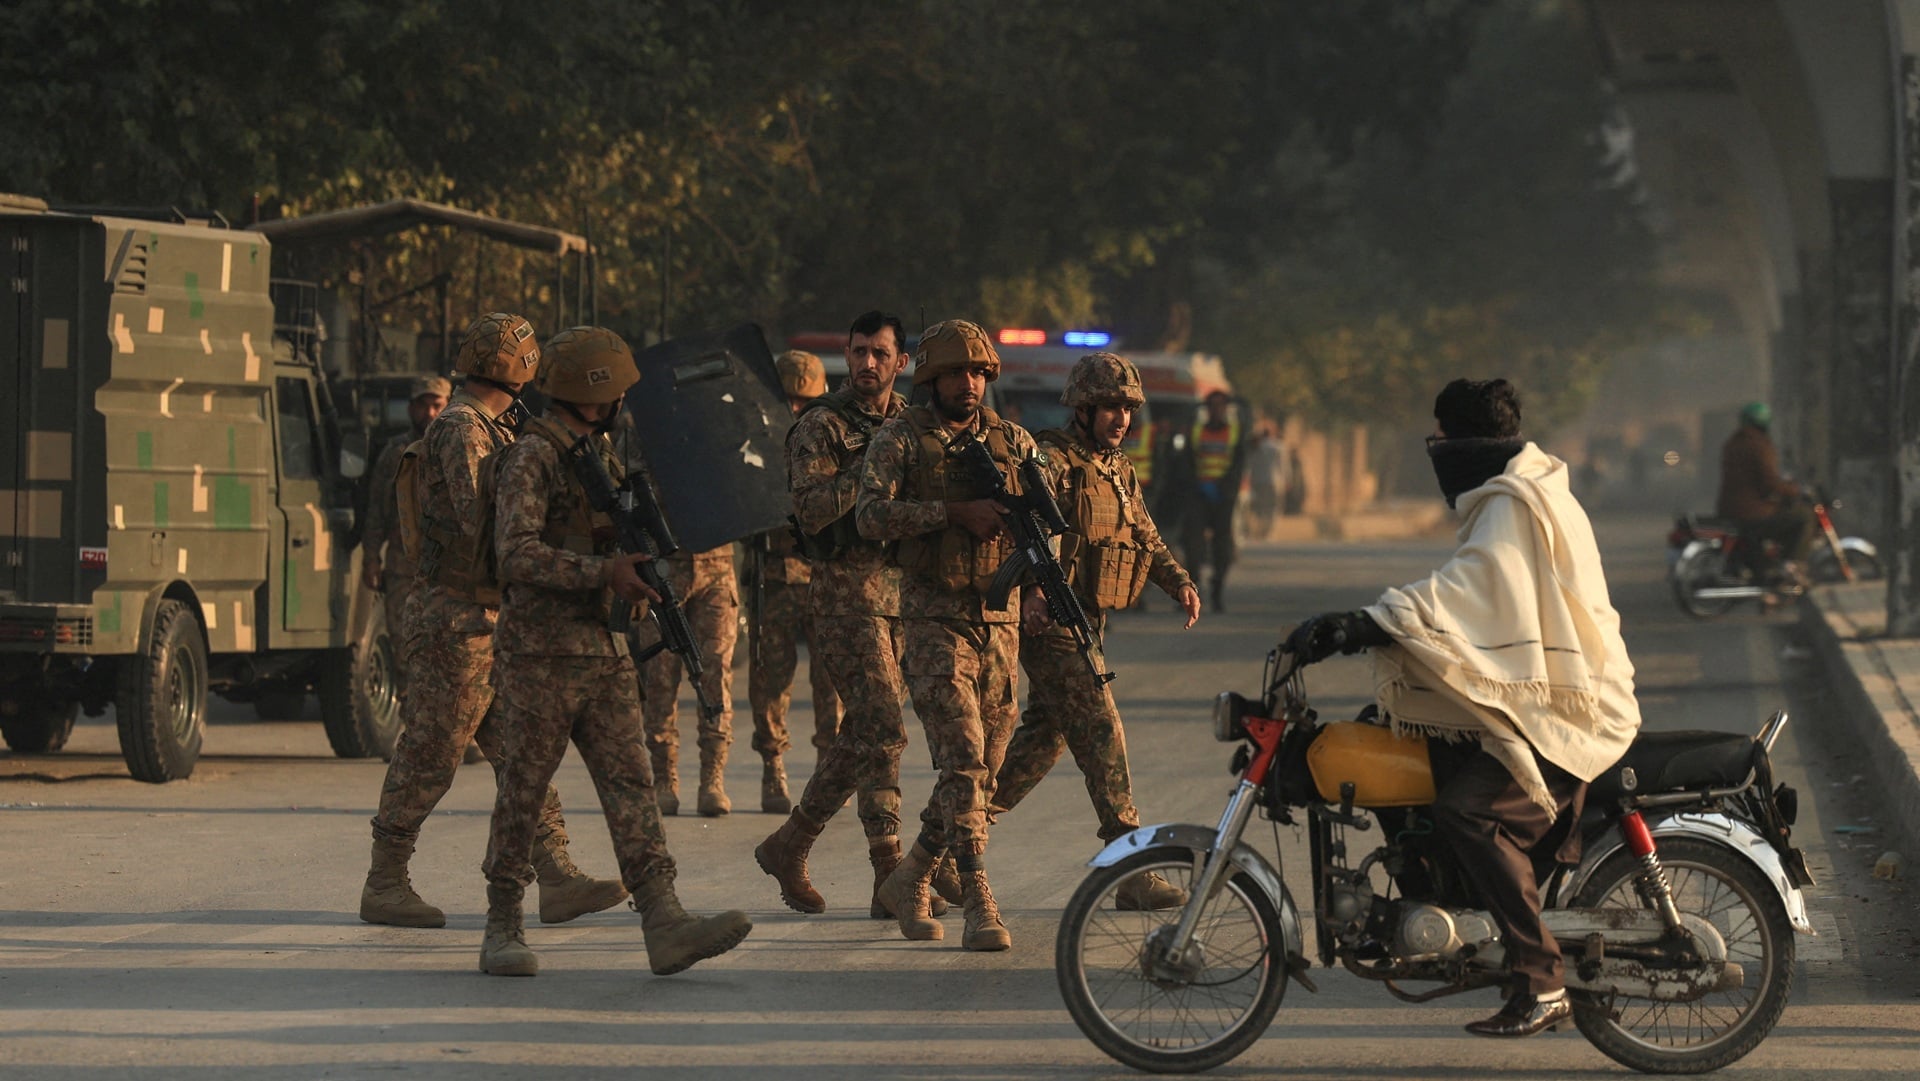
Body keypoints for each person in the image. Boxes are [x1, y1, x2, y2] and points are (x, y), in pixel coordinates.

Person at [1285, 377, 1640, 1039]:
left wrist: (1368, 621)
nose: (1437, 449)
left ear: (1467, 442)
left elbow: (1468, 594)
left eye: (1443, 437)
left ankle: (1541, 978)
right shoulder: (1522, 492)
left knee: (1467, 810)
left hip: (1567, 715)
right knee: (1399, 740)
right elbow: (1483, 608)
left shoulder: (1515, 505)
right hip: (1549, 702)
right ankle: (1467, 918)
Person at [479, 325, 752, 977]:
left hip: (601, 652)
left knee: (632, 783)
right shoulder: (534, 457)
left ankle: (664, 919)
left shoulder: (596, 454)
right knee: (523, 792)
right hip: (539, 656)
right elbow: (514, 553)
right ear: (595, 392)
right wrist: (601, 572)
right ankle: (502, 925)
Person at [359, 313, 625, 930]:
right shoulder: (462, 429)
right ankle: (385, 880)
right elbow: (487, 518)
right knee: (432, 750)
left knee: (521, 753)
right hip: (459, 621)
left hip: (489, 618)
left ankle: (555, 875)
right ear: (524, 367)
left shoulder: (492, 425)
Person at [755, 312, 956, 920]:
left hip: (908, 592)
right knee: (884, 729)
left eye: (881, 354)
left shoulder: (913, 424)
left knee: (868, 733)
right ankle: (851, 860)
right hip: (847, 590)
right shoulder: (822, 425)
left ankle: (829, 855)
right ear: (847, 355)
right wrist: (872, 464)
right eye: (860, 352)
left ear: (902, 363)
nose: (868, 364)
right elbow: (811, 510)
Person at [988, 353, 1200, 910]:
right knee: (1103, 730)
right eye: (1111, 406)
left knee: (1040, 743)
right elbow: (1026, 530)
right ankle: (1131, 864)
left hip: (1089, 621)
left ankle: (941, 846)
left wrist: (1177, 582)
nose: (1122, 418)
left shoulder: (1118, 469)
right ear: (1082, 408)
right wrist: (1033, 590)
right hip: (1052, 619)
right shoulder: (1052, 460)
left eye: (1128, 408)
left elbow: (1145, 535)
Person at [861, 318, 1038, 952]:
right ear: (931, 378)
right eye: (956, 373)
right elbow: (869, 515)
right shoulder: (901, 440)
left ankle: (911, 875)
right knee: (961, 759)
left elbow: (1040, 527)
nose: (970, 383)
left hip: (1000, 621)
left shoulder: (1012, 441)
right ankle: (978, 897)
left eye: (979, 372)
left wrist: (1040, 583)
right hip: (933, 619)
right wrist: (950, 513)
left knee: (983, 768)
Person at [745, 350, 845, 813]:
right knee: (771, 677)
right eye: (791, 400)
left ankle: (830, 771)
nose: (799, 409)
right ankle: (773, 766)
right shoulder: (754, 444)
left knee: (832, 679)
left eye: (807, 400)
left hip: (825, 574)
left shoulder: (837, 439)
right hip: (775, 573)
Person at [619, 446, 740, 817]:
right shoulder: (648, 422)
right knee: (660, 678)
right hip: (662, 564)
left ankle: (712, 780)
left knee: (715, 672)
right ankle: (664, 780)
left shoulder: (718, 420)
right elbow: (628, 487)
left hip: (716, 564)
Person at [358, 374, 449, 690]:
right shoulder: (396, 454)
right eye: (423, 406)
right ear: (411, 409)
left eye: (437, 405)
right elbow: (377, 510)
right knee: (405, 653)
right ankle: (414, 728)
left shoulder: (458, 449)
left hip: (451, 575)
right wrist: (371, 558)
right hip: (403, 571)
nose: (430, 414)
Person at [1716, 401, 1814, 583]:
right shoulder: (1759, 445)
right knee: (1804, 516)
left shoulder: (1733, 443)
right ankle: (1793, 567)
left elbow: (1751, 480)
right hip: (1752, 513)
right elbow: (1770, 482)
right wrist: (1794, 490)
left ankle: (1770, 567)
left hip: (1730, 510)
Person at [1182, 389, 1247, 611]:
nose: (1217, 410)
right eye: (1213, 406)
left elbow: (1238, 465)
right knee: (1193, 544)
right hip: (1199, 494)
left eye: (1221, 406)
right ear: (1207, 409)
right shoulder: (1197, 431)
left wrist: (1225, 489)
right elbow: (1188, 462)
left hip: (1223, 496)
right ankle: (1192, 590)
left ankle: (1217, 590)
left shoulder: (1235, 432)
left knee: (1223, 546)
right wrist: (1197, 486)